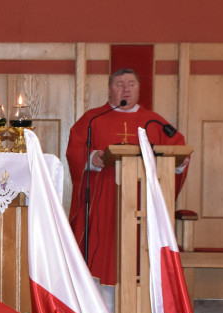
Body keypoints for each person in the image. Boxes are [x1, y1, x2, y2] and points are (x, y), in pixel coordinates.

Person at [66, 68, 189, 299]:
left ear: (139, 89)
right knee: (102, 252)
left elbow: (179, 149)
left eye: (131, 84)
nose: (125, 88)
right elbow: (75, 150)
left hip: (142, 205)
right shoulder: (93, 118)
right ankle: (102, 306)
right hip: (104, 202)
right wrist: (92, 158)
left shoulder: (154, 122)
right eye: (120, 84)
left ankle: (141, 303)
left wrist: (178, 163)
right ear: (110, 89)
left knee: (138, 253)